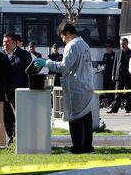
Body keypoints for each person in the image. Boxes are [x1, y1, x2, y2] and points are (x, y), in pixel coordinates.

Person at [35, 21, 94, 154]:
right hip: (87, 85)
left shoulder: (72, 46)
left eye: (62, 36)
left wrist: (47, 63)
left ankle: (77, 147)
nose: (62, 40)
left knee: (75, 118)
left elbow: (64, 66)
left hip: (76, 87)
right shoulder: (84, 44)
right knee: (86, 118)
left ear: (67, 33)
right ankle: (88, 147)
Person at [2, 32, 32, 144]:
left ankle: (20, 138)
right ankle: (10, 137)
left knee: (19, 116)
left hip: (20, 92)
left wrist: (28, 90)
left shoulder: (24, 55)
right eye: (4, 42)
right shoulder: (2, 56)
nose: (5, 44)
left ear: (14, 42)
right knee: (6, 117)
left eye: (7, 41)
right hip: (5, 93)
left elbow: (29, 74)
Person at [107, 37, 131, 114]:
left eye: (123, 44)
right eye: (121, 44)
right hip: (119, 76)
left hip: (128, 76)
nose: (122, 45)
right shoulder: (117, 53)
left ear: (127, 44)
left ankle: (128, 108)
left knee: (128, 93)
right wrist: (113, 74)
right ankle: (114, 109)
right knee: (117, 93)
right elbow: (115, 65)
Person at [99, 41, 115, 106]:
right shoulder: (105, 55)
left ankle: (111, 102)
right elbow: (103, 64)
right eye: (107, 47)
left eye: (109, 47)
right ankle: (108, 101)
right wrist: (101, 69)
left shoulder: (114, 55)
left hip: (111, 75)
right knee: (105, 88)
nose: (108, 48)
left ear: (111, 48)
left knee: (111, 89)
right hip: (106, 74)